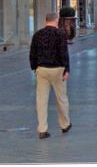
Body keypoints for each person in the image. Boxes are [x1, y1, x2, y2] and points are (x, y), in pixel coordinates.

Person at [29, 12, 72, 140]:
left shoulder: (37, 34)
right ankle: (65, 125)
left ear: (45, 20)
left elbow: (32, 53)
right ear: (56, 20)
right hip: (57, 69)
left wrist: (34, 68)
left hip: (42, 69)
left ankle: (42, 130)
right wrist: (67, 70)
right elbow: (64, 53)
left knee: (41, 100)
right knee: (61, 99)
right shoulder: (60, 34)